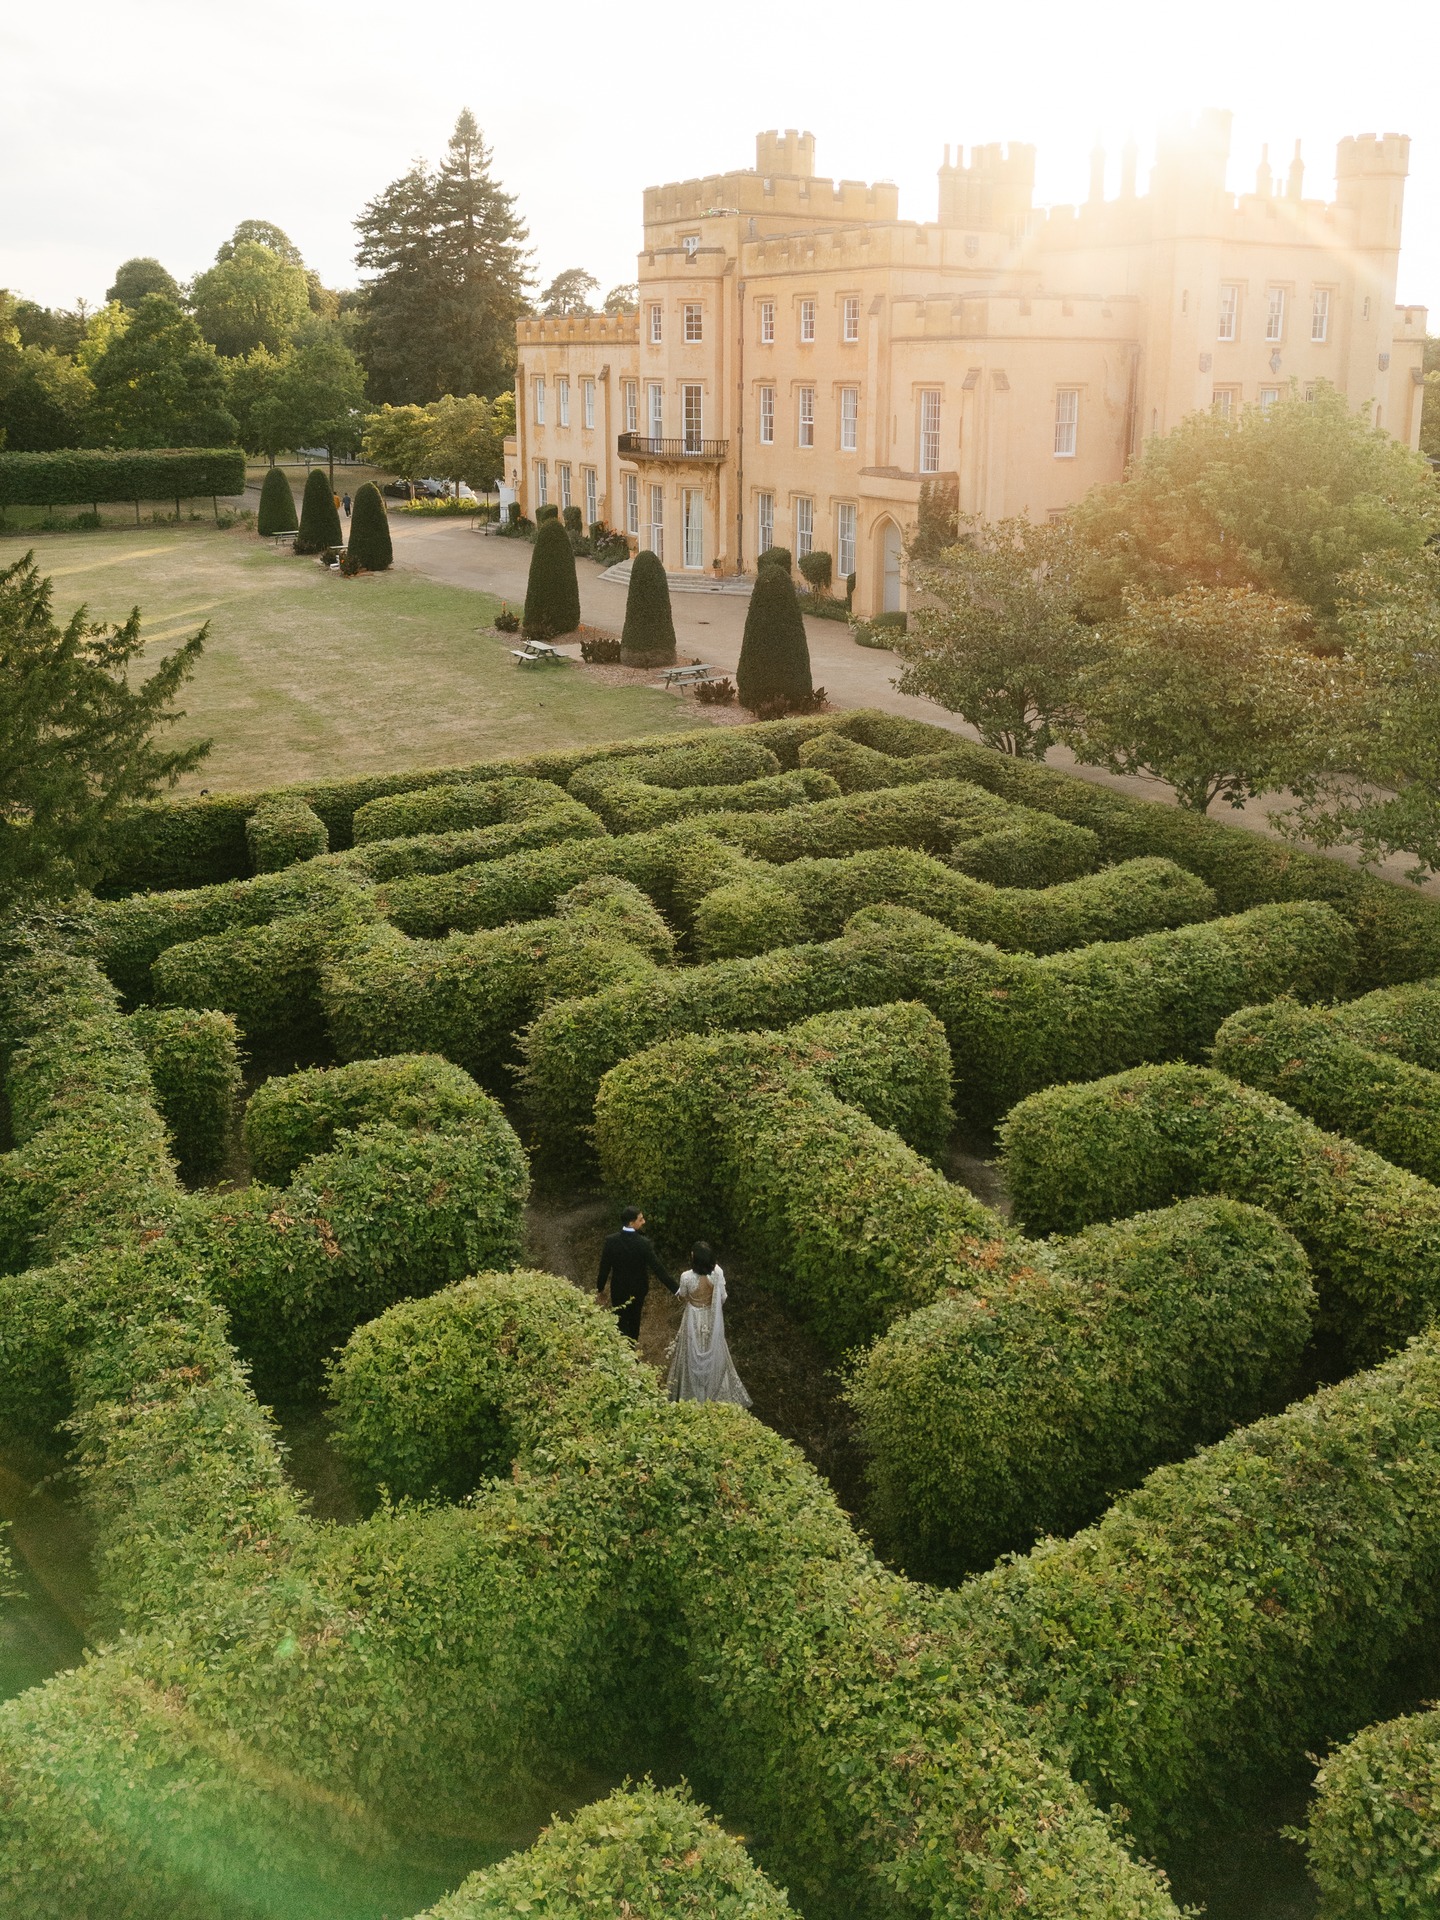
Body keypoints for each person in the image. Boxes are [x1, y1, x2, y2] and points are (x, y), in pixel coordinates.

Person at [666, 1242, 751, 1407]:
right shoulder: (717, 1272)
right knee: (713, 1350)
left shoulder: (687, 1277)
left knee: (691, 1353)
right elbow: (723, 1297)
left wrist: (690, 1300)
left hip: (693, 1319)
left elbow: (682, 1295)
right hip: (712, 1318)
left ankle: (691, 1395)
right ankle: (715, 1393)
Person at [595, 1205, 677, 1342]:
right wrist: (676, 1289)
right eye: (640, 1219)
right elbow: (658, 1269)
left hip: (618, 1290)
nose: (644, 1221)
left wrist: (600, 1288)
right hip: (638, 1291)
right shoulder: (643, 1243)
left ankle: (622, 1351)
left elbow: (604, 1268)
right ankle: (632, 1351)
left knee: (620, 1322)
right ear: (631, 1223)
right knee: (634, 1322)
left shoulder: (611, 1241)